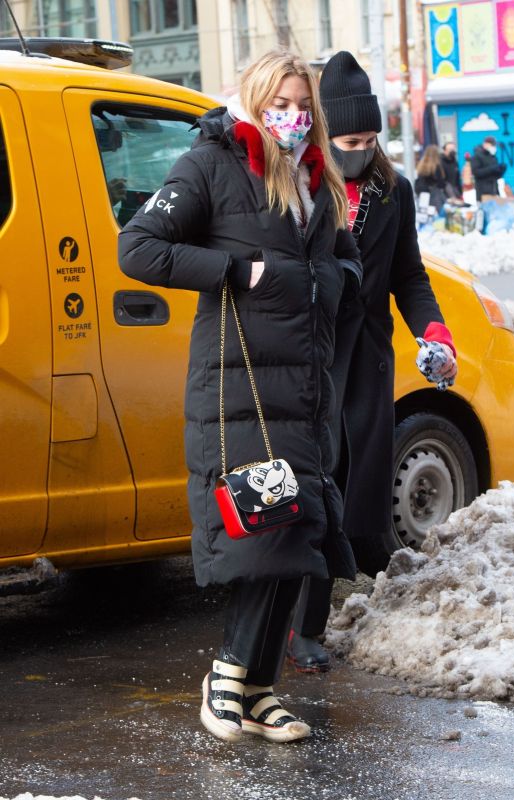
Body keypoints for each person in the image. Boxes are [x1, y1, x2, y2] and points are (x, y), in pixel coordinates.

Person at [118, 50, 362, 742]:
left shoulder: (316, 176)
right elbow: (138, 247)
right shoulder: (213, 161)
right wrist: (234, 270)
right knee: (271, 524)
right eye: (279, 104)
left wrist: (338, 279)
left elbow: (341, 255)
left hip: (306, 382)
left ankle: (257, 690)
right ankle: (227, 674)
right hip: (242, 383)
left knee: (298, 524)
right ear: (254, 100)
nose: (291, 117)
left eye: (300, 106)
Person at [286, 51, 457, 673]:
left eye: (369, 138)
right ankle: (303, 626)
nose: (361, 148)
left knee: (358, 480)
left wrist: (433, 330)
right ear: (326, 135)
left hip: (368, 359)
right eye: (349, 138)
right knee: (316, 478)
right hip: (313, 357)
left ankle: (342, 591)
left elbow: (408, 275)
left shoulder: (395, 190)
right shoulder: (300, 188)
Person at [471, 135, 506, 201]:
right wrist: (491, 168)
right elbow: (476, 173)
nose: (494, 147)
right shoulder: (477, 156)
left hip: (494, 190)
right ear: (485, 144)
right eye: (492, 145)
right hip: (483, 192)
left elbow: (496, 176)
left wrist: (501, 170)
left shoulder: (493, 157)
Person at [414, 144, 448, 212]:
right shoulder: (436, 166)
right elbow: (441, 183)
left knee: (424, 214)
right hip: (434, 196)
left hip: (423, 195)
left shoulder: (421, 165)